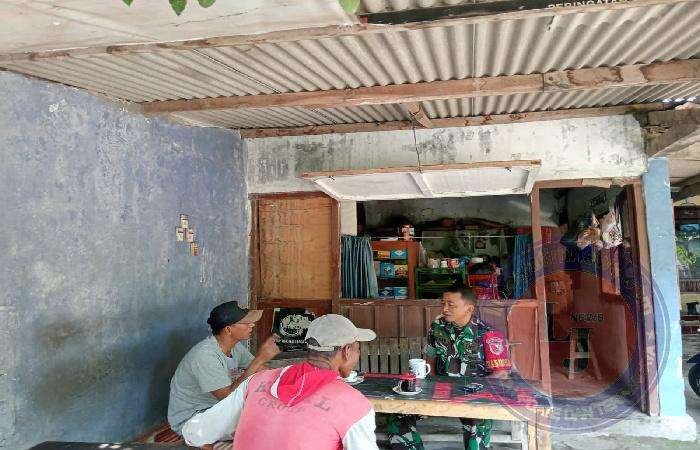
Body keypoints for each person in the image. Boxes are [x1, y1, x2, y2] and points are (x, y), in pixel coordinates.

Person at [181, 314, 380, 450]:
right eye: (358, 348)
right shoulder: (355, 405)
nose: (358, 354)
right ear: (346, 351)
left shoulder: (256, 382)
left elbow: (194, 432)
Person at [387, 285, 509, 450]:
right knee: (398, 416)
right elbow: (430, 359)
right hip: (439, 392)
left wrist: (474, 391)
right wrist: (427, 388)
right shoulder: (438, 326)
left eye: (451, 304)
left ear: (469, 308)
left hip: (473, 398)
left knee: (478, 425)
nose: (445, 309)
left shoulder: (489, 333)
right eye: (443, 303)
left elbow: (501, 374)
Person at [167, 301, 280, 436]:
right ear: (228, 330)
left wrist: (284, 379)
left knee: (274, 412)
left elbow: (260, 370)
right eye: (246, 323)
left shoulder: (235, 347)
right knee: (263, 427)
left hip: (217, 409)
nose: (252, 325)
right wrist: (260, 358)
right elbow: (227, 396)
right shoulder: (205, 355)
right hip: (194, 418)